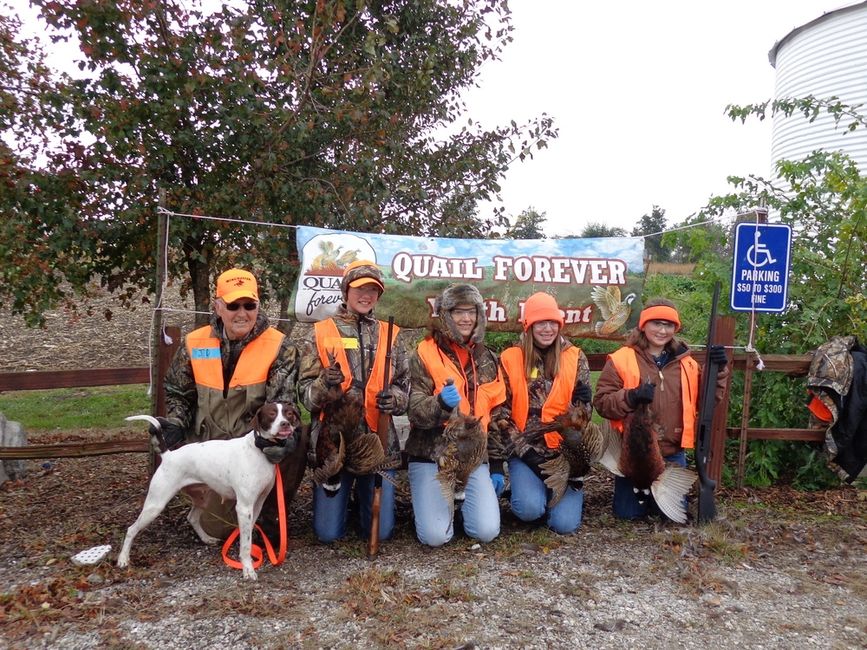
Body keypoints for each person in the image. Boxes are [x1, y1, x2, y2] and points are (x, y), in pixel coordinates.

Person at [161, 268, 303, 539]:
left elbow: (283, 403)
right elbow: (177, 393)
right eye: (233, 305)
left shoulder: (279, 346)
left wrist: (278, 444)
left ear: (258, 306)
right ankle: (225, 509)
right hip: (211, 450)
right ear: (217, 307)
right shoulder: (194, 343)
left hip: (252, 445)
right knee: (221, 529)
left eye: (249, 305)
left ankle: (268, 520)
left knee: (296, 437)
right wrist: (177, 423)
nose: (242, 312)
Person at [298, 260, 409, 544]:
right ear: (346, 290)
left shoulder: (391, 334)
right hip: (334, 444)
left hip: (377, 441)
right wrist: (325, 383)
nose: (366, 295)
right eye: (360, 288)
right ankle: (343, 500)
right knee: (327, 534)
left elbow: (405, 387)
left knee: (380, 533)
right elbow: (306, 396)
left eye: (373, 290)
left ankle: (361, 498)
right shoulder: (320, 331)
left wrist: (394, 399)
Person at [593, 298, 729, 520]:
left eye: (668, 325)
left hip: (672, 454)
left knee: (669, 517)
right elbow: (602, 403)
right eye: (656, 323)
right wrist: (631, 396)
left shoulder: (688, 364)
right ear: (643, 325)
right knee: (628, 515)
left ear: (675, 329)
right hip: (633, 456)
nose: (662, 330)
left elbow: (707, 402)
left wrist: (719, 369)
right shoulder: (621, 359)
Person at [405, 283, 506, 547]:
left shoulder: (489, 359)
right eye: (458, 311)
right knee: (435, 537)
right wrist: (439, 404)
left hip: (473, 458)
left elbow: (496, 416)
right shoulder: (423, 353)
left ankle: (463, 505)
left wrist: (495, 465)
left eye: (471, 311)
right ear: (445, 315)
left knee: (486, 531)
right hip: (431, 456)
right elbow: (414, 410)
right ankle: (440, 507)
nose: (465, 318)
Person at [494, 291, 593, 534]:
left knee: (564, 525)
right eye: (540, 322)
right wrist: (526, 454)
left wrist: (585, 406)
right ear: (529, 325)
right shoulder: (510, 357)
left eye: (553, 323)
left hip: (564, 454)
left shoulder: (576, 357)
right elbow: (499, 414)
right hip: (525, 454)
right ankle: (529, 492)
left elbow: (584, 419)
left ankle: (555, 495)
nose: (547, 328)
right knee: (529, 510)